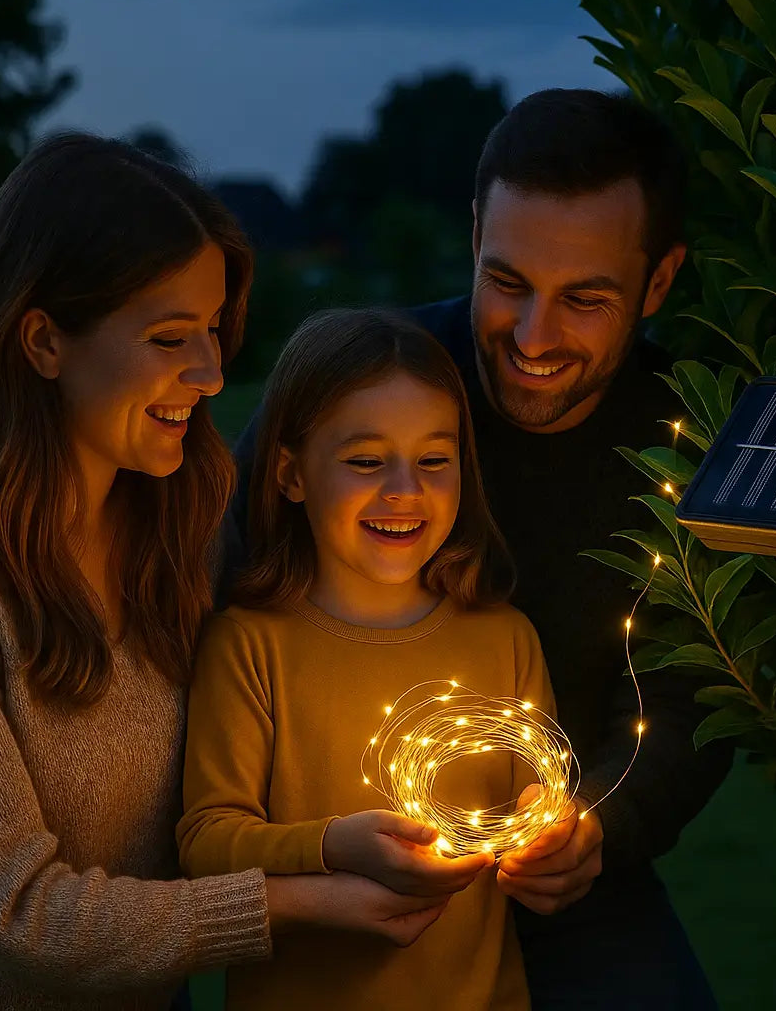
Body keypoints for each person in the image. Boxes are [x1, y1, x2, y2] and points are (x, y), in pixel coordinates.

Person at [230, 89, 733, 1008]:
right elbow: (214, 574)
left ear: (659, 283)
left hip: (563, 871)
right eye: (507, 283)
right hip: (335, 861)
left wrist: (600, 831)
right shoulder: (369, 386)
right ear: (474, 232)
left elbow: (694, 700)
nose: (533, 338)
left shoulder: (692, 441)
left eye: (584, 298)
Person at [0, 134, 455, 1011]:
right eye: (167, 336)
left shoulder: (186, 539)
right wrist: (298, 901)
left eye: (216, 329)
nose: (213, 372)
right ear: (41, 340)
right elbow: (15, 922)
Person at [177, 308, 561, 1009]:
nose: (404, 490)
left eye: (433, 461)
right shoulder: (250, 646)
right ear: (291, 474)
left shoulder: (505, 639)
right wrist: (332, 846)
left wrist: (555, 842)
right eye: (365, 460)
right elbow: (206, 841)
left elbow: (535, 809)